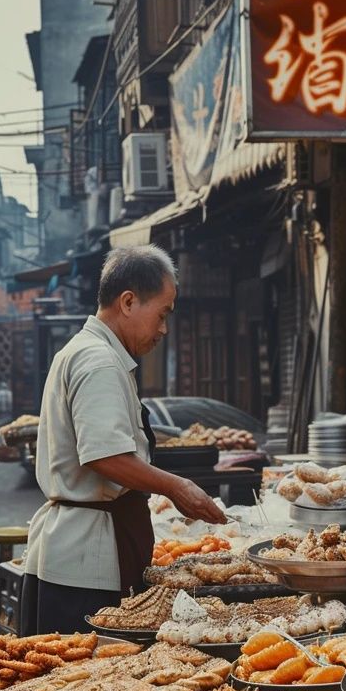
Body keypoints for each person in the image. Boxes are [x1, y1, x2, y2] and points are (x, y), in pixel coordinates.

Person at [20, 244, 226, 636]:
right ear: (128, 302)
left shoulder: (90, 353)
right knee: (86, 681)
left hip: (80, 551)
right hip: (86, 564)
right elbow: (107, 457)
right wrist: (177, 487)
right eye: (162, 314)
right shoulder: (98, 360)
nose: (164, 328)